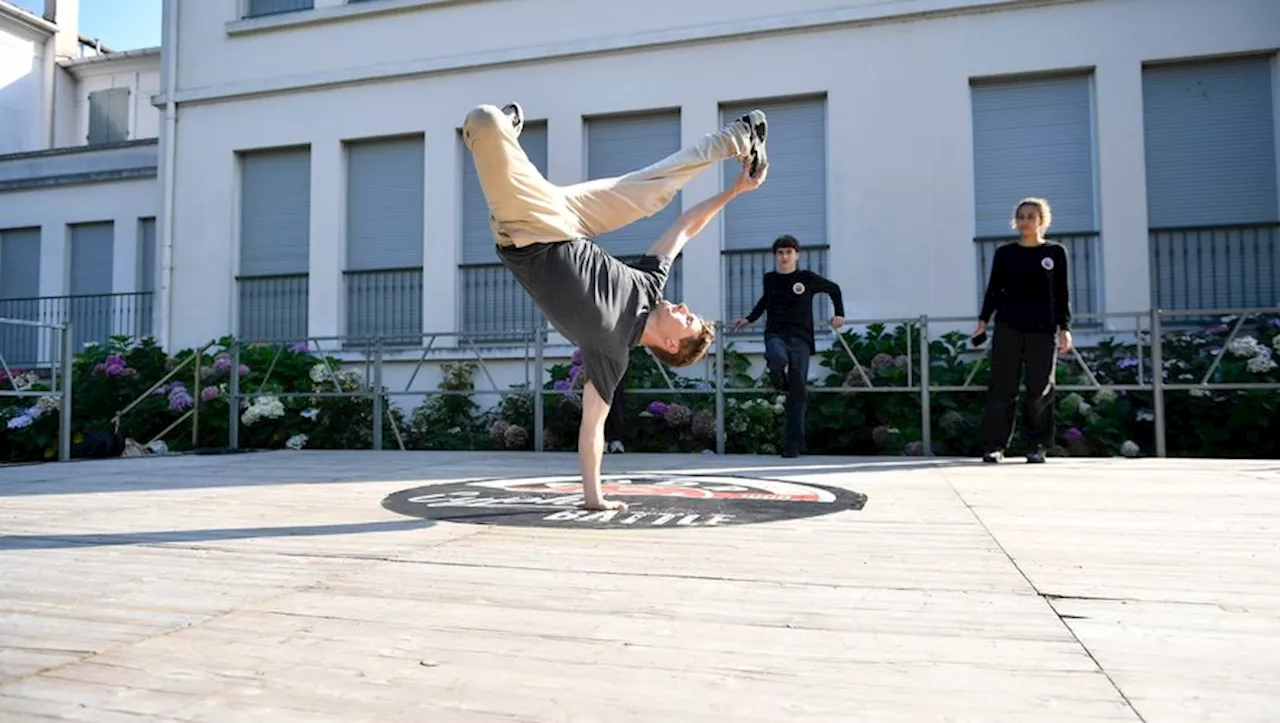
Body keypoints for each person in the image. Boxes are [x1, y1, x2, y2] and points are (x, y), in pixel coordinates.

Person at [462, 102, 769, 509]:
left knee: (482, 118)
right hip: (570, 221)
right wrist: (735, 190)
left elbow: (593, 428)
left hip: (528, 229)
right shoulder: (649, 284)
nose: (681, 307)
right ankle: (738, 137)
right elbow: (685, 227)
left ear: (672, 345)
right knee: (652, 191)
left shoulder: (611, 353)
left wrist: (595, 498)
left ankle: (504, 137)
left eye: (687, 319)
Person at [973, 197, 1073, 464]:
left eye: (1031, 216)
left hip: (1043, 329)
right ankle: (995, 446)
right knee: (1002, 387)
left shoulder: (1055, 253)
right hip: (1008, 327)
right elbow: (994, 288)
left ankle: (1037, 445)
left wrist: (1065, 328)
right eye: (1021, 216)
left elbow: (1062, 294)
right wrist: (983, 319)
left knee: (1039, 388)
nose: (1025, 221)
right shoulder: (1005, 254)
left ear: (1042, 221)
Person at [731, 234, 845, 458]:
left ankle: (793, 445)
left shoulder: (807, 278)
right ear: (775, 256)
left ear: (797, 255)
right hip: (776, 334)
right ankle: (777, 379)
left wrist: (839, 314)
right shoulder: (770, 279)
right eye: (780, 252)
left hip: (801, 338)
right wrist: (749, 319)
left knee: (798, 392)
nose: (784, 256)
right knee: (776, 357)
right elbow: (766, 301)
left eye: (788, 252)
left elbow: (834, 289)